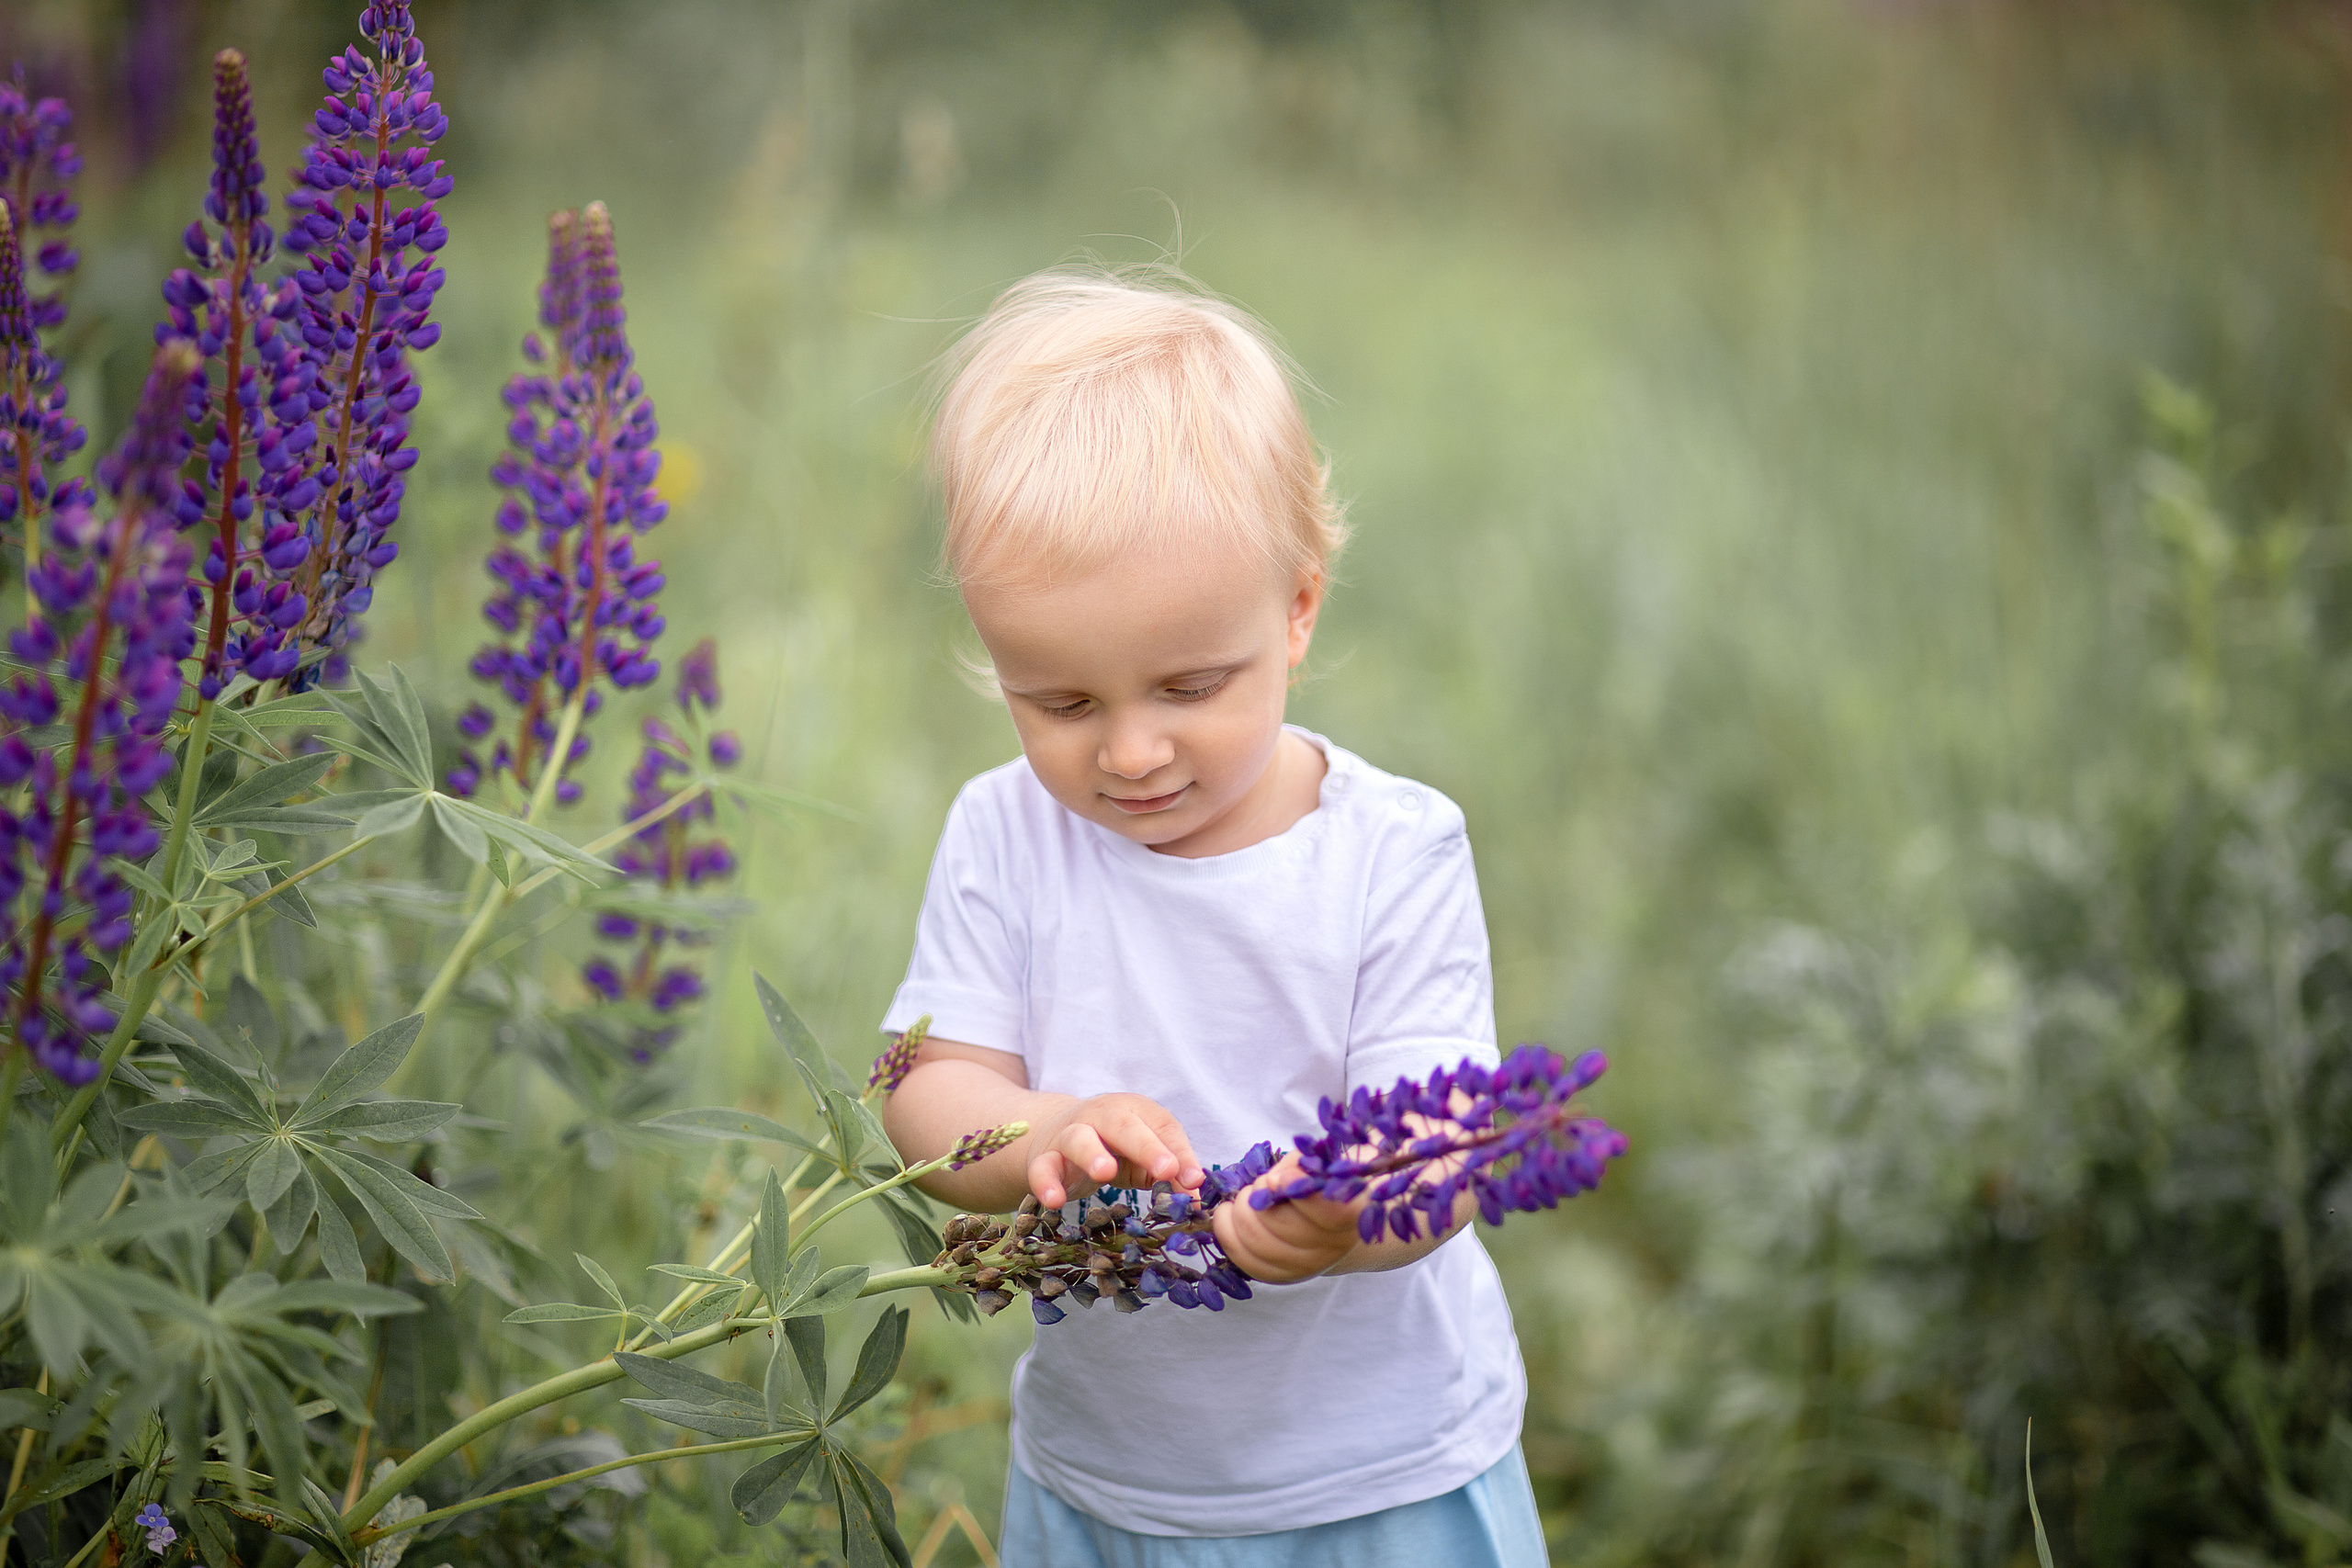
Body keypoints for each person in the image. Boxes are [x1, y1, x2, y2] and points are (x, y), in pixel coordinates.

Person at [878, 266, 1545, 1567]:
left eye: (1188, 685)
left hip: (1378, 1485)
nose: (1129, 753)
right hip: (1106, 1489)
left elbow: (1444, 1148)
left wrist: (1355, 1213)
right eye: (1060, 702)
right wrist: (1045, 1135)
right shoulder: (1003, 832)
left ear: (1297, 609)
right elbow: (921, 1086)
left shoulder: (1393, 851)